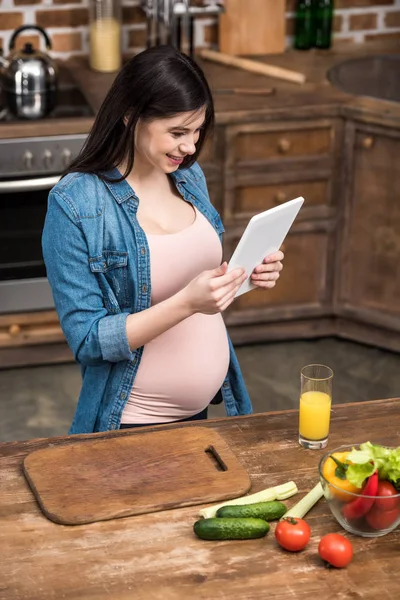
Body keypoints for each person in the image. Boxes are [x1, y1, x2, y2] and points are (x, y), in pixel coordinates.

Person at [42, 45, 284, 435]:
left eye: (197, 131)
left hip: (205, 413)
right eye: (177, 132)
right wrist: (187, 302)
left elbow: (197, 279)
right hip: (132, 422)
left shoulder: (188, 176)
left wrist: (245, 277)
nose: (190, 147)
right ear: (130, 115)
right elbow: (88, 340)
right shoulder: (76, 204)